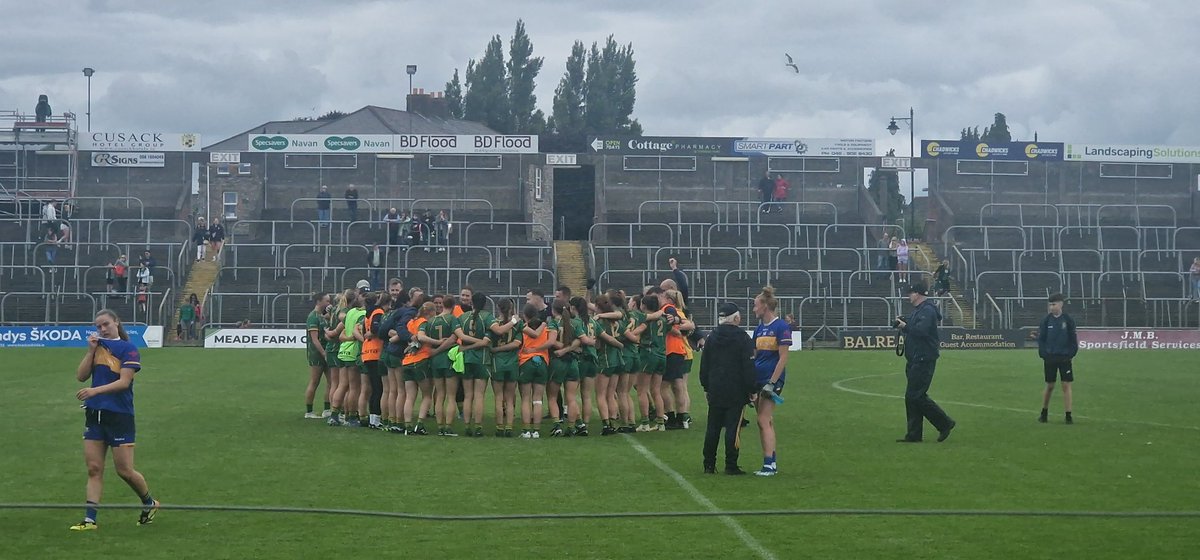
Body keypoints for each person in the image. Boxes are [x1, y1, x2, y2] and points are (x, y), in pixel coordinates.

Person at [70, 309, 159, 531]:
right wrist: (90, 351)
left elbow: (124, 382)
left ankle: (149, 502)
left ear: (116, 323)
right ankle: (90, 520)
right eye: (98, 326)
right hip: (95, 415)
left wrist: (94, 391)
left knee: (125, 470)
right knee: (93, 468)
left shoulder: (128, 349)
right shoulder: (98, 348)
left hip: (120, 415)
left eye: (106, 324)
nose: (102, 329)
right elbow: (81, 376)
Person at [700, 303, 757, 475]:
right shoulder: (743, 338)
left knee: (713, 427)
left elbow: (705, 364)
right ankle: (731, 464)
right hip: (736, 390)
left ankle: (708, 464)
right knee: (733, 427)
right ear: (737, 318)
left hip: (716, 387)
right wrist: (752, 389)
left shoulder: (712, 336)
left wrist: (706, 386)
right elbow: (748, 366)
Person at [895, 282, 956, 444]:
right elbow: (916, 326)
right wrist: (904, 321)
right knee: (912, 397)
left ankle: (944, 423)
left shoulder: (927, 311)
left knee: (915, 395)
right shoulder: (920, 311)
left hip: (923, 358)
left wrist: (905, 326)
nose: (909, 296)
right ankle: (914, 434)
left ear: (918, 294)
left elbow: (921, 331)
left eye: (911, 292)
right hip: (915, 358)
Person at [751, 287, 790, 476]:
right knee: (764, 420)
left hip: (771, 381)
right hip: (759, 379)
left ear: (765, 306)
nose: (753, 309)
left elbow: (783, 358)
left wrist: (772, 382)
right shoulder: (759, 329)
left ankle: (768, 464)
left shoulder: (780, 327)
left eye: (755, 306)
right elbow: (755, 355)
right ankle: (771, 460)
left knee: (763, 419)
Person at [1038, 293, 1078, 424]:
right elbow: (1041, 340)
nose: (1051, 307)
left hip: (1065, 358)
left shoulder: (1068, 320)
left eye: (1053, 304)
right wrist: (1044, 354)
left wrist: (1070, 354)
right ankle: (1044, 412)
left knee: (1066, 385)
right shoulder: (1046, 320)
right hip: (1050, 358)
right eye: (1050, 304)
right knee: (1050, 385)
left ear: (1061, 304)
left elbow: (1073, 339)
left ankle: (1068, 415)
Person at [490, 298, 522, 437]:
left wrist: (497, 349)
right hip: (513, 362)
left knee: (498, 397)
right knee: (509, 397)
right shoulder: (517, 324)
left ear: (498, 308)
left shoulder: (494, 323)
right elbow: (516, 344)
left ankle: (499, 427)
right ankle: (509, 427)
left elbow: (490, 342)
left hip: (498, 362)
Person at [305, 292, 332, 419]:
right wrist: (323, 353)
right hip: (317, 354)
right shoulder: (313, 317)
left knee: (331, 382)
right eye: (326, 300)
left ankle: (327, 409)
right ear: (319, 301)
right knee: (315, 381)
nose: (328, 303)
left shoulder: (322, 316)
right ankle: (309, 411)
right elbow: (315, 339)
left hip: (326, 352)